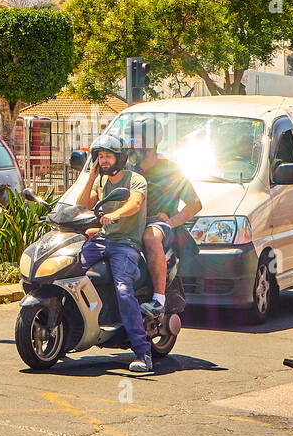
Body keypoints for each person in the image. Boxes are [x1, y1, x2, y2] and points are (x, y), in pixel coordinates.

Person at [76, 134, 152, 375]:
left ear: (120, 158)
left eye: (108, 156)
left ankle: (142, 351)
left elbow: (135, 204)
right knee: (70, 268)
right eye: (100, 156)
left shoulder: (135, 179)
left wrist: (115, 215)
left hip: (125, 244)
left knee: (123, 289)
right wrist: (90, 177)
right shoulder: (100, 181)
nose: (104, 160)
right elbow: (82, 206)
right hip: (101, 239)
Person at [136, 141, 201, 321]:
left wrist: (172, 222)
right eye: (132, 141)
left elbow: (195, 203)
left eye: (141, 143)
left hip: (158, 226)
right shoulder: (128, 167)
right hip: (130, 224)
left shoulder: (170, 170)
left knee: (151, 237)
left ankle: (159, 298)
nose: (136, 148)